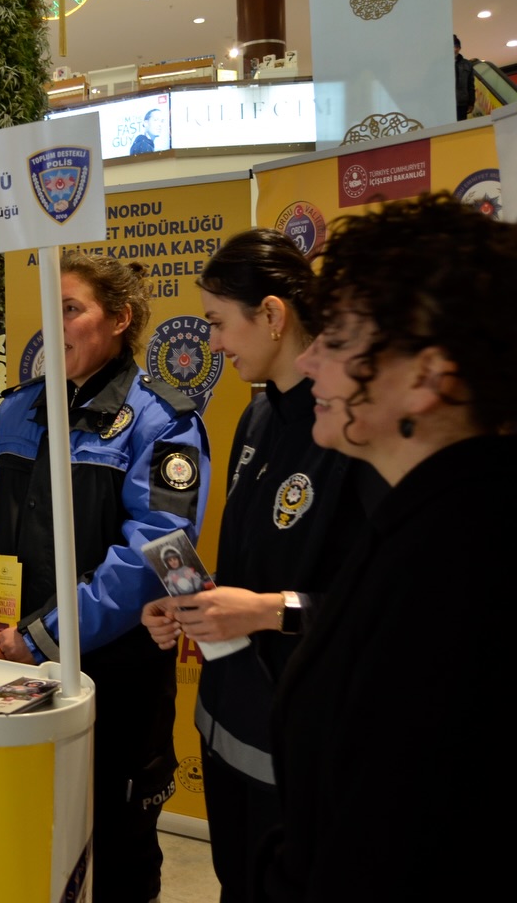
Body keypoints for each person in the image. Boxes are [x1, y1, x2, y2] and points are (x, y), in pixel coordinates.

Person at [258, 194, 514, 901]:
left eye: (338, 339)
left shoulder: (455, 571)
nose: (309, 359)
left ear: (429, 377)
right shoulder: (429, 524)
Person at [0, 254, 211, 903]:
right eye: (51, 308)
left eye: (71, 308)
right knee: (20, 845)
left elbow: (157, 553)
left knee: (117, 856)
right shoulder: (18, 411)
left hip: (114, 679)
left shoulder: (164, 420)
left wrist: (44, 636)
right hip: (8, 669)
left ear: (120, 319)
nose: (55, 321)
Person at [138, 229, 379, 903]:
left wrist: (270, 611)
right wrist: (195, 603)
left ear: (272, 314)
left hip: (301, 746)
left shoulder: (351, 435)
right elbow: (250, 571)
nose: (213, 344)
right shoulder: (255, 419)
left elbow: (383, 609)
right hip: (224, 729)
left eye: (219, 323)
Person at [454, 34, 476, 121]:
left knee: (461, 126)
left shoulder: (467, 64)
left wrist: (471, 102)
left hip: (462, 103)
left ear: (459, 48)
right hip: (445, 103)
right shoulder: (440, 64)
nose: (454, 49)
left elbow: (470, 85)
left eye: (456, 47)